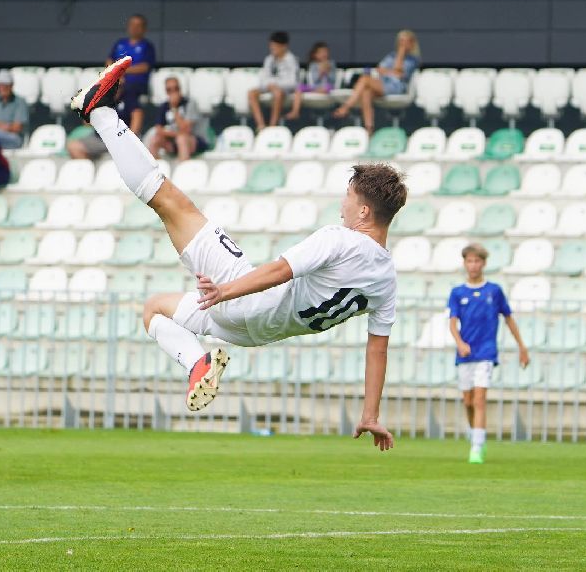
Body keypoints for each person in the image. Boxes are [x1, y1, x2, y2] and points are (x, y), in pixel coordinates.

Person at [70, 57, 406, 451]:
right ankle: (198, 364)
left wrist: (226, 291)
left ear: (365, 211)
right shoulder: (387, 280)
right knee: (154, 309)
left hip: (248, 301)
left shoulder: (341, 239)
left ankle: (100, 112)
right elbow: (377, 348)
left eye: (348, 198)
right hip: (258, 333)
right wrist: (370, 413)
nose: (342, 206)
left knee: (170, 201)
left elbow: (280, 270)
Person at [448, 243, 530, 464]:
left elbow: (509, 318)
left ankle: (477, 447)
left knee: (479, 399)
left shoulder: (494, 291)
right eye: (469, 261)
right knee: (468, 402)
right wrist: (460, 343)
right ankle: (476, 432)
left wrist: (522, 347)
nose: (473, 265)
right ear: (465, 263)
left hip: (486, 352)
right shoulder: (458, 293)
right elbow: (453, 323)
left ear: (483, 263)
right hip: (465, 353)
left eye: (477, 261)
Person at [334, 30, 420, 135]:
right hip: (384, 84)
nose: (402, 44)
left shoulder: (413, 60)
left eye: (405, 42)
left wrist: (401, 54)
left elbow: (399, 71)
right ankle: (369, 129)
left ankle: (346, 107)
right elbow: (380, 69)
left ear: (412, 43)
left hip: (396, 88)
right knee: (366, 92)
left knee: (365, 79)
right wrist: (393, 72)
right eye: (400, 41)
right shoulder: (391, 55)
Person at [248, 31, 299, 132]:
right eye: (271, 46)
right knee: (251, 93)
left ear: (284, 46)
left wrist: (276, 85)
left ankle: (272, 126)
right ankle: (261, 125)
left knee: (277, 93)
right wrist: (269, 85)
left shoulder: (291, 60)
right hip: (269, 87)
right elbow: (263, 79)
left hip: (285, 90)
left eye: (275, 47)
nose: (272, 49)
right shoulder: (269, 59)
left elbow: (293, 82)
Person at [147, 77, 210, 161]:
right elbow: (159, 130)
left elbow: (186, 130)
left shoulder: (190, 103)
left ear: (180, 89)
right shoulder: (164, 106)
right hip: (174, 140)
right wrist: (175, 134)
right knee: (155, 139)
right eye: (169, 90)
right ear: (166, 91)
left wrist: (174, 108)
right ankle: (157, 170)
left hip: (194, 141)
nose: (173, 92)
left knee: (182, 139)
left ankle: (183, 171)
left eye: (176, 88)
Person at [108, 14, 156, 116]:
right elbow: (109, 61)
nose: (134, 28)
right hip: (116, 81)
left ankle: (134, 130)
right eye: (132, 25)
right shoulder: (120, 43)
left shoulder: (147, 46)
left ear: (144, 29)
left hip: (136, 84)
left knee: (129, 95)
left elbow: (145, 67)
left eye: (138, 26)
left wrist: (121, 71)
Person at [286, 41, 337, 121]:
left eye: (325, 52)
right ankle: (295, 111)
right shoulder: (313, 65)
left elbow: (333, 80)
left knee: (326, 88)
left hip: (327, 88)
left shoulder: (331, 64)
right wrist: (321, 72)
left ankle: (315, 91)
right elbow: (314, 80)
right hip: (315, 88)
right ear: (315, 55)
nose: (324, 54)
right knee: (299, 87)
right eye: (321, 52)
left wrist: (327, 71)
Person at [0, 69, 29, 149]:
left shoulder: (20, 102)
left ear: (11, 85)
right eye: (0, 85)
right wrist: (7, 126)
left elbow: (17, 128)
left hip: (15, 139)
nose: (3, 88)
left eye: (6, 85)